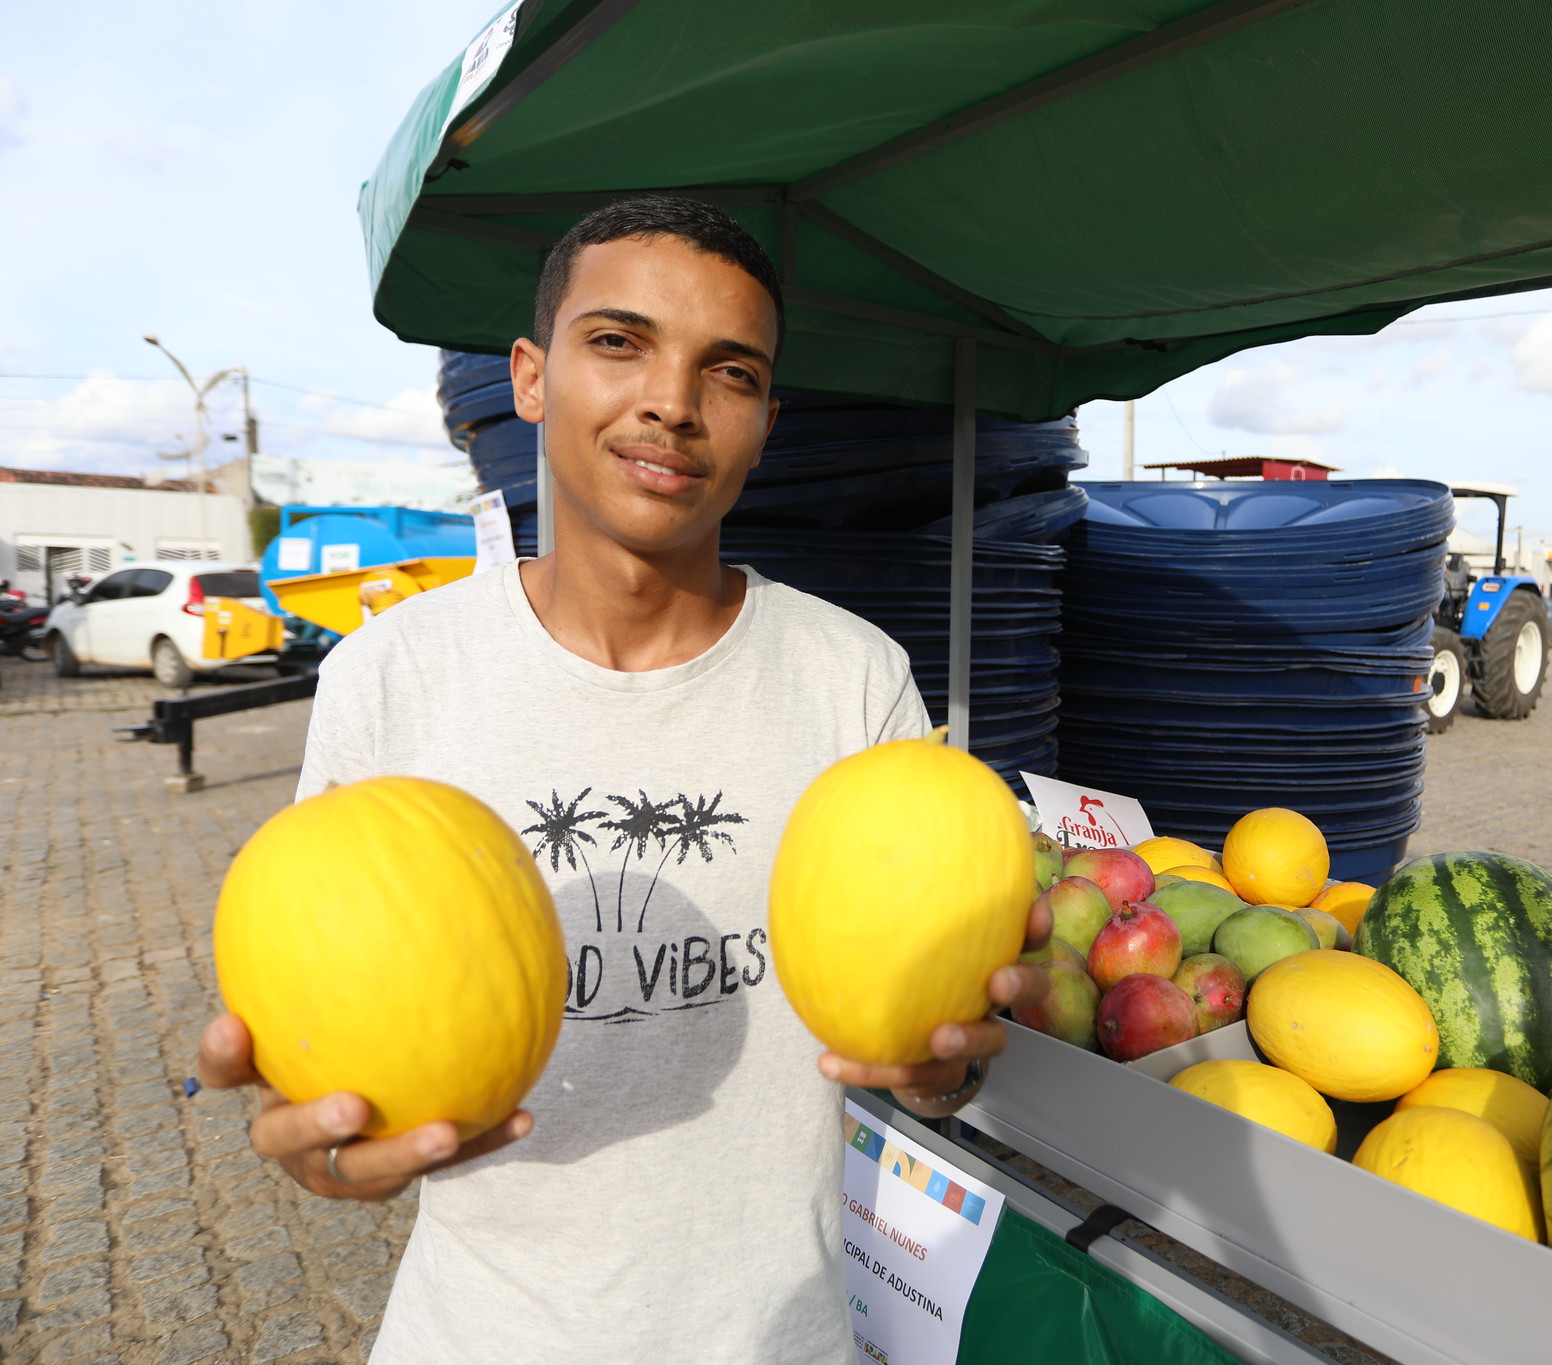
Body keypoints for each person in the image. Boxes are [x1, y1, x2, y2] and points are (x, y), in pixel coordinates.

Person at [193, 195, 1049, 1364]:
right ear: (530, 378)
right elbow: (331, 1001)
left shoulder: (854, 681)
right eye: (618, 342)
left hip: (781, 1337)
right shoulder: (392, 676)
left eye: (729, 372)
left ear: (764, 421)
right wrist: (329, 1141)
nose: (671, 403)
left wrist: (944, 1073)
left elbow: (914, 1064)